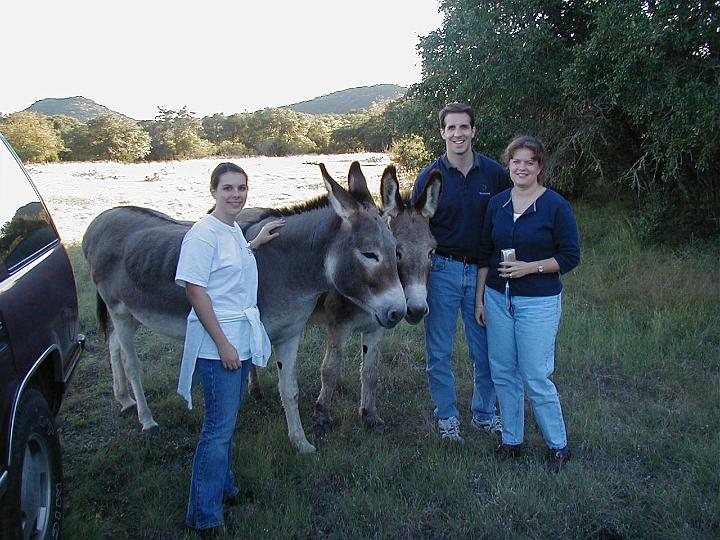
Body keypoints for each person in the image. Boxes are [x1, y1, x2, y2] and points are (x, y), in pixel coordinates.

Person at [175, 162, 285, 535]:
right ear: (213, 192)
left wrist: (256, 243)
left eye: (241, 188)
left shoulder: (232, 230)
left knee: (226, 423)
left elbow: (233, 264)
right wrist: (223, 344)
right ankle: (203, 515)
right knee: (217, 430)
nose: (236, 195)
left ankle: (226, 488)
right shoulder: (202, 234)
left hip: (238, 340)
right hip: (218, 344)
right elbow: (195, 289)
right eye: (228, 188)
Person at [474, 135, 580, 472]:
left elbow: (570, 256)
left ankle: (558, 446)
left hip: (538, 301)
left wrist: (529, 268)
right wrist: (480, 298)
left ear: (539, 168)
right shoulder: (498, 204)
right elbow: (484, 254)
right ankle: (511, 440)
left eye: (528, 162)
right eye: (516, 162)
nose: (521, 168)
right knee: (503, 372)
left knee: (535, 375)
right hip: (496, 298)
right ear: (509, 166)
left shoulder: (555, 206)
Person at [412, 103, 510, 442]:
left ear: (473, 131)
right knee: (439, 352)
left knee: (484, 351)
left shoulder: (494, 174)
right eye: (451, 128)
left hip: (483, 273)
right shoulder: (429, 177)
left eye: (463, 127)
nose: (458, 134)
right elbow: (414, 227)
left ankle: (485, 414)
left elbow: (508, 217)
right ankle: (447, 416)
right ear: (442, 133)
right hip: (441, 271)